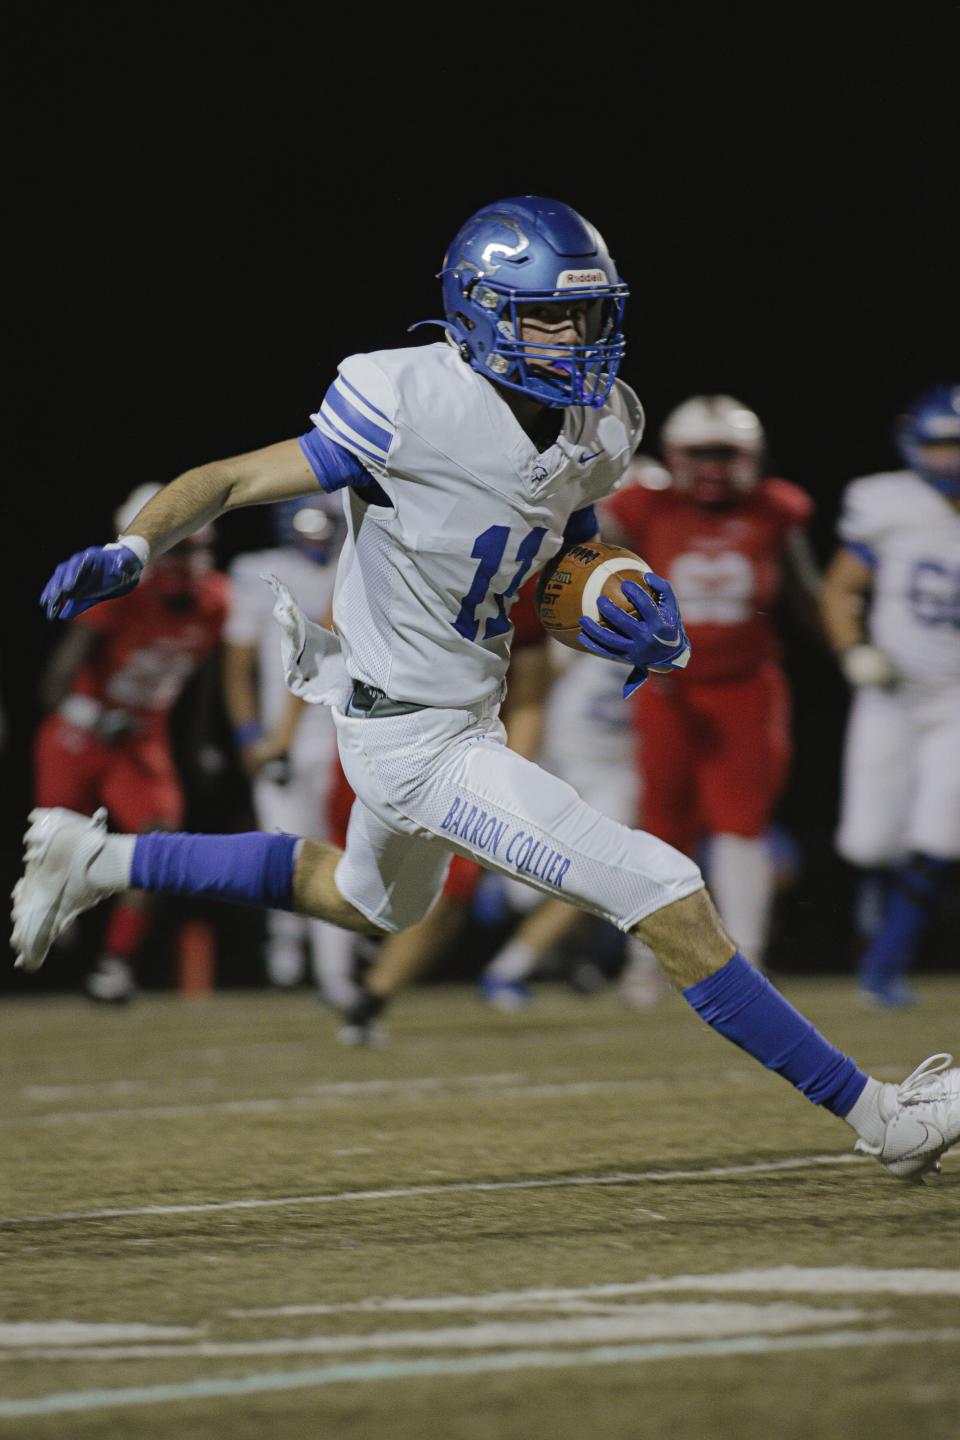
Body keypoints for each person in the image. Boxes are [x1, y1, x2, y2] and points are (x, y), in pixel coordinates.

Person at [12, 196, 959, 1181]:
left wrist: (619, 592)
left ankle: (98, 860)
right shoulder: (405, 399)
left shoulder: (605, 423)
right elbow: (230, 481)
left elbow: (565, 543)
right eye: (546, 315)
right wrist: (135, 545)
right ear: (475, 311)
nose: (573, 338)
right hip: (415, 741)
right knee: (664, 889)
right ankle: (880, 1113)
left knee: (362, 901)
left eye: (586, 315)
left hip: (453, 713)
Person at [604, 397, 821, 970]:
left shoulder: (774, 509)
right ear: (675, 455)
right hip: (669, 690)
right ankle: (650, 962)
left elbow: (805, 597)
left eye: (723, 453)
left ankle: (748, 957)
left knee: (740, 822)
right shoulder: (643, 506)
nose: (711, 466)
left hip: (746, 687)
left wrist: (851, 646)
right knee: (662, 822)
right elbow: (583, 551)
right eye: (699, 453)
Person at [30, 484, 229, 1001]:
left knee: (159, 844)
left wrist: (203, 737)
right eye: (183, 547)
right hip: (79, 733)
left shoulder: (214, 601)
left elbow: (203, 673)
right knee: (54, 856)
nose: (195, 559)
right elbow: (53, 684)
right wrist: (95, 717)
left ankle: (114, 964)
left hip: (142, 735)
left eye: (201, 546)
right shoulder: (122, 592)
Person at [820, 384, 960, 1007]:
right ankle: (872, 937)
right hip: (894, 694)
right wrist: (854, 650)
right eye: (942, 445)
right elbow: (839, 590)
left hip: (956, 699)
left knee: (941, 837)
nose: (952, 459)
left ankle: (883, 965)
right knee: (869, 842)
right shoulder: (884, 502)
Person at [223, 494, 358, 1006]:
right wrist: (248, 734)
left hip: (344, 736)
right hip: (282, 738)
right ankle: (285, 950)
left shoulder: (359, 568)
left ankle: (334, 969)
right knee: (283, 846)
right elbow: (236, 662)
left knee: (334, 853)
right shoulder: (258, 571)